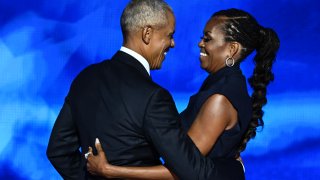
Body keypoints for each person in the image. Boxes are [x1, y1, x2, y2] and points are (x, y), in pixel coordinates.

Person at [46, 1, 243, 180]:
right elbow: (192, 172)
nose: (172, 44)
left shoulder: (85, 78)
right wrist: (234, 169)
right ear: (147, 34)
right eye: (170, 35)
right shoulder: (154, 97)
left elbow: (58, 150)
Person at [85, 8, 280, 179]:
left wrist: (109, 170)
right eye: (202, 37)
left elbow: (184, 170)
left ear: (232, 49)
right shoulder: (224, 86)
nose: (200, 44)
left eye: (208, 38)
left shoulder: (219, 99)